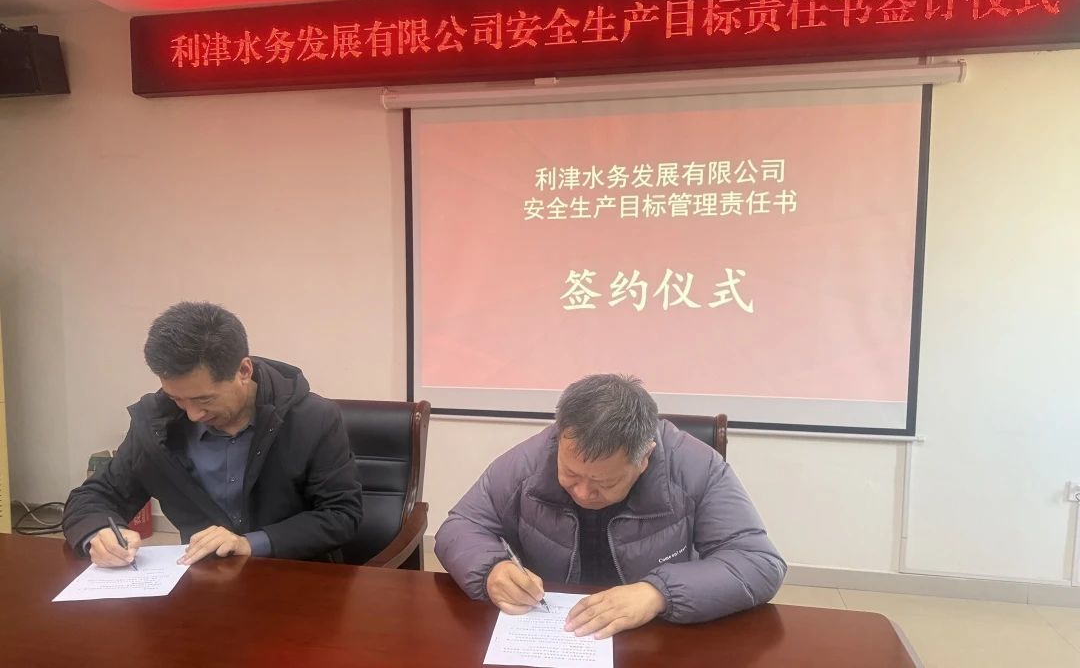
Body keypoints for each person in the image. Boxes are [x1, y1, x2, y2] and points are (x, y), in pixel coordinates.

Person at [435, 373, 785, 638]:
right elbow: (460, 526)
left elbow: (758, 562)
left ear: (645, 457)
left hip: (656, 635)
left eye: (605, 482)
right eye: (571, 474)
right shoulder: (531, 460)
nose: (584, 493)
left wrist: (658, 593)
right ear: (559, 437)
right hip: (556, 628)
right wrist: (492, 569)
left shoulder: (696, 467)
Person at [63, 301, 363, 567]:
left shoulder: (312, 419)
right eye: (177, 399)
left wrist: (249, 543)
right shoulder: (157, 425)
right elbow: (94, 496)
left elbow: (341, 514)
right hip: (204, 583)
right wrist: (99, 532)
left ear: (243, 371)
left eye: (204, 399)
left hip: (296, 577)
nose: (193, 415)